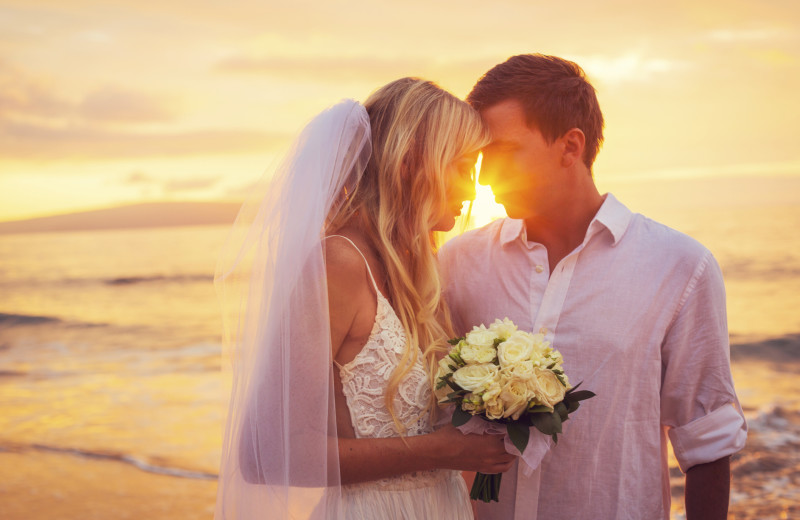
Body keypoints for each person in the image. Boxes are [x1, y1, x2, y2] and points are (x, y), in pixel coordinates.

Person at [439, 54, 748, 519]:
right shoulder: (457, 263)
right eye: (480, 158)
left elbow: (705, 439)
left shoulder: (680, 266)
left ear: (570, 146)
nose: (486, 176)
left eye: (503, 153)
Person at [214, 78, 516, 520]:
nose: (471, 191)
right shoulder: (337, 264)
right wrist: (437, 450)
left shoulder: (419, 271)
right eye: (461, 167)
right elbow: (266, 454)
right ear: (413, 160)